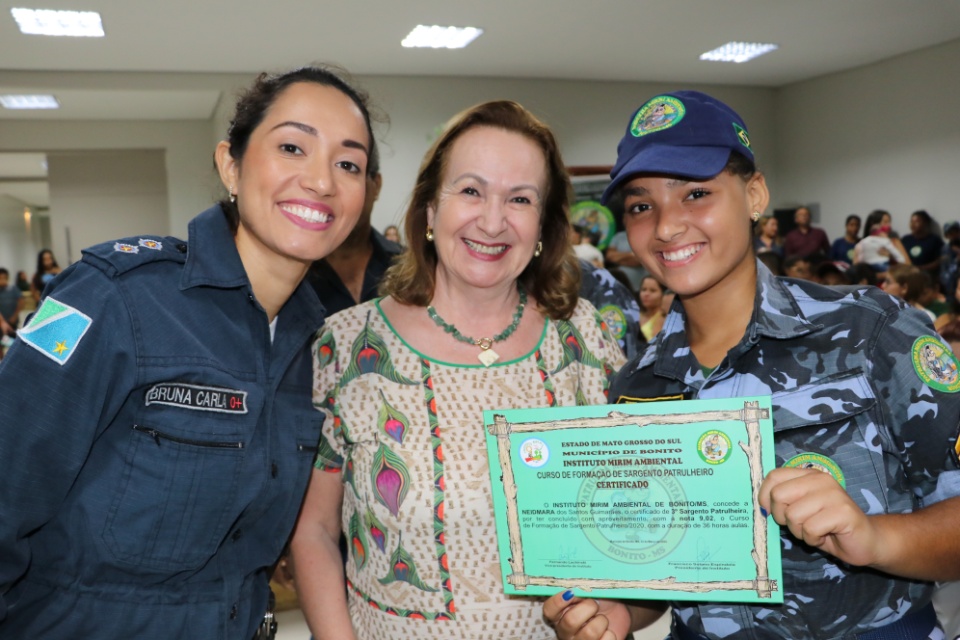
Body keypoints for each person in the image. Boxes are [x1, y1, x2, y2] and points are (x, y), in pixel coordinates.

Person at [543, 90, 960, 640]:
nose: (666, 226)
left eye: (696, 193)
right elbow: (657, 567)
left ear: (755, 194)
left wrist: (875, 538)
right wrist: (620, 611)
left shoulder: (871, 330)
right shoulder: (637, 384)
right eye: (641, 206)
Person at [0, 65, 376, 639]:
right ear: (231, 164)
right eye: (292, 147)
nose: (322, 181)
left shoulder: (319, 344)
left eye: (348, 164)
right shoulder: (113, 297)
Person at [289, 100, 626, 640]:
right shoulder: (348, 346)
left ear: (543, 223)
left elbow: (631, 517)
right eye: (470, 190)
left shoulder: (584, 338)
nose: (492, 221)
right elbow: (314, 530)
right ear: (429, 210)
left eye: (520, 199)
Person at [307, 146, 402, 316]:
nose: (329, 188)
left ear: (376, 185)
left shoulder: (405, 266)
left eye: (348, 167)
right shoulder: (295, 272)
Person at [854, 210, 909, 275]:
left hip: (891, 277)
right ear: (873, 224)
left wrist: (891, 257)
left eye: (889, 222)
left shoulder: (894, 242)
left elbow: (907, 265)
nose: (889, 226)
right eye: (885, 222)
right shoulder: (862, 244)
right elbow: (856, 269)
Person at [901, 209, 944, 277]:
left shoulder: (934, 240)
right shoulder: (905, 240)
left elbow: (940, 261)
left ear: (925, 223)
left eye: (917, 221)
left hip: (928, 277)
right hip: (908, 276)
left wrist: (920, 269)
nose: (913, 224)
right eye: (911, 221)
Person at [605, 227, 647, 292]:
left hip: (641, 288)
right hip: (620, 287)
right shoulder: (618, 236)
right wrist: (630, 254)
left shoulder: (646, 236)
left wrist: (619, 260)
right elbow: (610, 257)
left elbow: (641, 260)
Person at [637, 274, 665, 341]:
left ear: (663, 293)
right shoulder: (636, 315)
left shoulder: (663, 318)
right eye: (644, 289)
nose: (646, 294)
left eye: (653, 290)